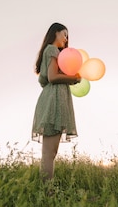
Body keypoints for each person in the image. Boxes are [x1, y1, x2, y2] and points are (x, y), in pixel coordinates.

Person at [31, 22, 81, 181]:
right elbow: (52, 77)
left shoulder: (53, 53)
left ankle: (46, 190)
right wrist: (73, 78)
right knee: (49, 153)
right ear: (55, 33)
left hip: (54, 99)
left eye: (67, 36)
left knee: (50, 152)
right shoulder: (52, 50)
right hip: (53, 101)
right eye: (64, 34)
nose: (66, 38)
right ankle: (46, 191)